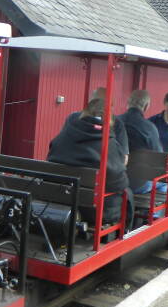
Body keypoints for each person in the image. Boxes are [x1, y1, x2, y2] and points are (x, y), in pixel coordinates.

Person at [48, 97, 133, 228]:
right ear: (108, 118)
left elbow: (50, 159)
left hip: (61, 203)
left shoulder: (65, 134)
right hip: (94, 212)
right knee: (128, 193)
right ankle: (125, 231)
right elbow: (119, 183)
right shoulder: (108, 142)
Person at [118, 90, 166, 194]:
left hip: (115, 180)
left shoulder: (115, 122)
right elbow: (159, 158)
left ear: (128, 103)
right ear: (146, 106)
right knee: (164, 184)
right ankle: (154, 205)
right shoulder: (149, 127)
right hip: (137, 183)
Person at [65, 87, 129, 164]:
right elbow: (124, 160)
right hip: (101, 169)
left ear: (89, 103)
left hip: (70, 166)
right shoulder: (117, 124)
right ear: (111, 106)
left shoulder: (73, 119)